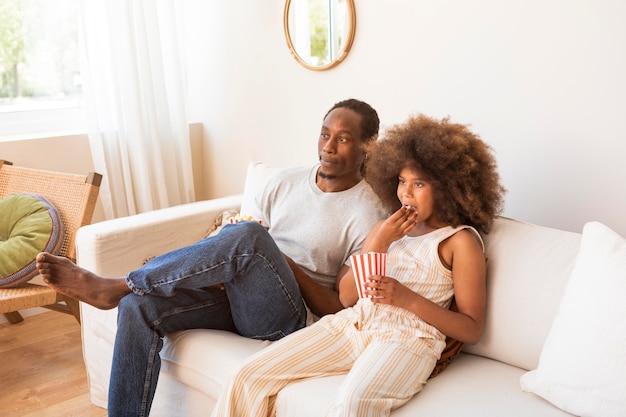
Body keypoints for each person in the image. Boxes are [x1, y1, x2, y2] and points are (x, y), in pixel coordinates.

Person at [35, 98, 388, 417]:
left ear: (366, 147)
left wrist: (284, 263)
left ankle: (118, 284)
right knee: (137, 308)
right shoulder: (285, 182)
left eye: (342, 139)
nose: (327, 147)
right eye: (325, 134)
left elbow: (340, 308)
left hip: (288, 318)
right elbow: (242, 237)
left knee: (251, 238)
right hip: (238, 294)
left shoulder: (366, 212)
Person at [212, 114, 507, 417]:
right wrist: (378, 241)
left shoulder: (460, 242)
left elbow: (471, 329)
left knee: (354, 404)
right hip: (353, 324)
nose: (406, 192)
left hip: (408, 340)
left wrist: (407, 299)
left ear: (447, 187)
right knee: (246, 376)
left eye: (419, 183)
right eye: (402, 181)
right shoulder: (387, 227)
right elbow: (349, 298)